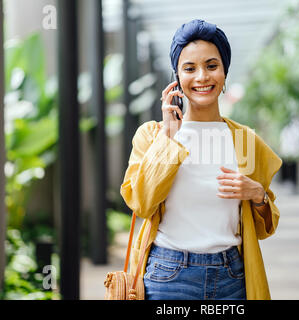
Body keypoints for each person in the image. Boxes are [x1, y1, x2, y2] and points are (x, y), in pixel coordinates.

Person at [120, 19, 283, 300]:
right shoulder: (153, 135)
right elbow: (143, 204)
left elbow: (263, 228)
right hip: (168, 276)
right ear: (176, 77)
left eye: (211, 66)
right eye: (189, 68)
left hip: (232, 276)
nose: (202, 77)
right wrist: (169, 139)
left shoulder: (243, 140)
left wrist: (258, 195)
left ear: (224, 73)